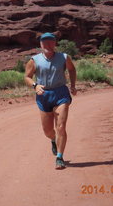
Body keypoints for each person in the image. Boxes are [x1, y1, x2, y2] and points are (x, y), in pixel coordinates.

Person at [24, 32, 77, 169]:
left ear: (55, 43)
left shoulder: (64, 57)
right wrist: (35, 86)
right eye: (45, 42)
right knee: (47, 130)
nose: (48, 44)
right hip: (44, 95)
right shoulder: (34, 60)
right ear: (41, 44)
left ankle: (59, 157)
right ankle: (53, 140)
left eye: (51, 41)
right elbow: (27, 77)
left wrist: (72, 85)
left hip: (61, 93)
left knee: (61, 126)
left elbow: (72, 70)